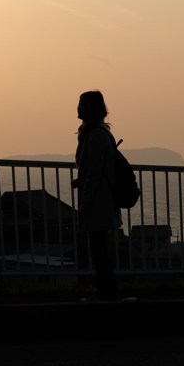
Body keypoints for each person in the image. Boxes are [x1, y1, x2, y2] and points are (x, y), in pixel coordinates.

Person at [75, 90, 121, 301]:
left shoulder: (96, 134)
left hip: (98, 201)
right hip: (100, 199)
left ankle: (105, 291)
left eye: (84, 104)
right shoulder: (93, 132)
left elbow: (93, 172)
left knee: (99, 248)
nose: (79, 107)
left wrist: (84, 204)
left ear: (93, 109)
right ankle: (106, 289)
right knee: (99, 247)